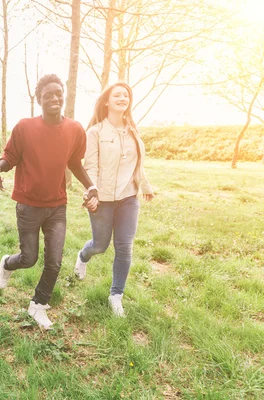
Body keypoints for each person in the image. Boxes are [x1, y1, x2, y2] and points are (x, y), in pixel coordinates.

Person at [0, 74, 98, 330]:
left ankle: (38, 304)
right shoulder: (25, 127)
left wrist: (90, 186)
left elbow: (74, 163)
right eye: (48, 95)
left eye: (58, 93)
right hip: (28, 205)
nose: (54, 98)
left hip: (57, 206)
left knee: (55, 261)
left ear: (64, 96)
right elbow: (11, 156)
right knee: (29, 258)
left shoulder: (75, 129)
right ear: (39, 99)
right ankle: (7, 263)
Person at [74, 82, 154, 317]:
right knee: (100, 245)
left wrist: (146, 186)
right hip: (103, 198)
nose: (122, 98)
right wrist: (92, 192)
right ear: (106, 101)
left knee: (124, 247)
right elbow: (90, 167)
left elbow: (137, 164)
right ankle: (82, 256)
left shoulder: (133, 131)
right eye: (117, 95)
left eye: (126, 95)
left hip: (129, 198)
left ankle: (116, 295)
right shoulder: (95, 132)